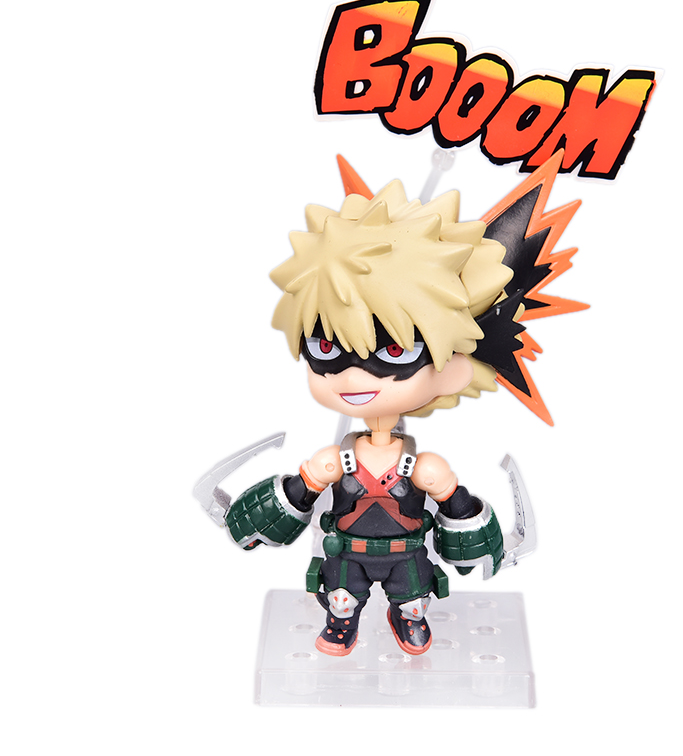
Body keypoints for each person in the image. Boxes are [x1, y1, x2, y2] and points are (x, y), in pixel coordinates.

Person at [223, 151, 586, 655]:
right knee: (341, 599)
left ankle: (407, 618)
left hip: (408, 557)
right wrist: (283, 500)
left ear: (454, 366)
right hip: (346, 556)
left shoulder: (422, 466)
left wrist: (460, 507)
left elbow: (462, 533)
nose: (352, 376)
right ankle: (342, 624)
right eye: (324, 348)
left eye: (395, 351)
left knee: (413, 600)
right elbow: (286, 508)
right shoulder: (335, 461)